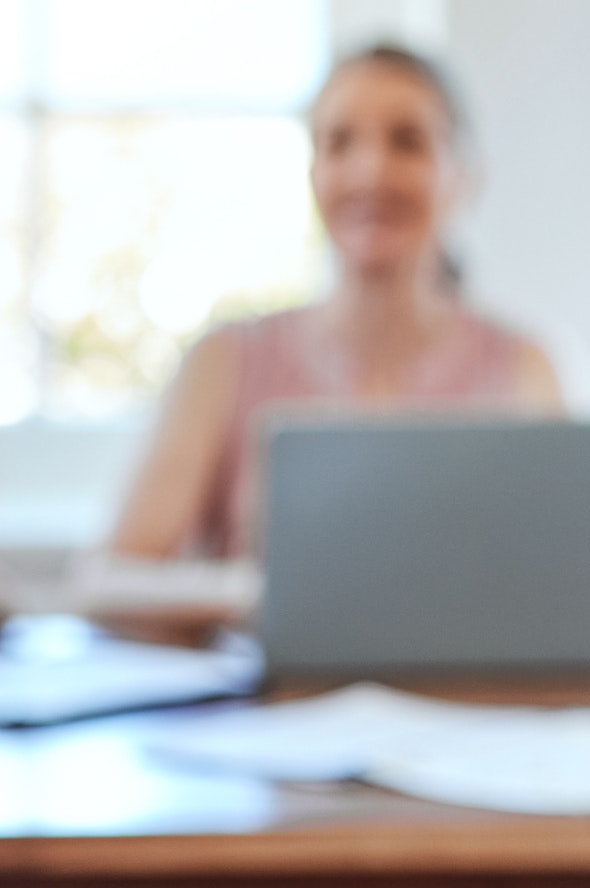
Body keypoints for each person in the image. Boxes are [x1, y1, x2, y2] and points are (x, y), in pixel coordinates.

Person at [112, 43, 564, 560]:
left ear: (463, 177)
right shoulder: (223, 363)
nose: (370, 172)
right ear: (313, 176)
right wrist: (258, 601)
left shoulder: (524, 368)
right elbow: (115, 575)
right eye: (339, 143)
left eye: (407, 142)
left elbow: (563, 580)